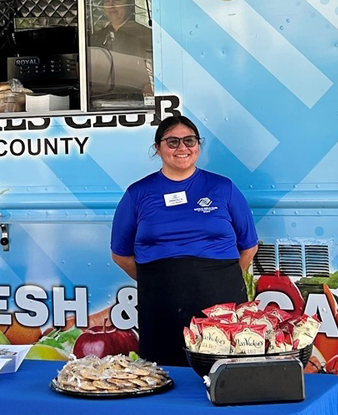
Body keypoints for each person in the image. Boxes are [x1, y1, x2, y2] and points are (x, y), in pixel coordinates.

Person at [110, 114, 257, 367]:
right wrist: (156, 278)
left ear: (198, 145)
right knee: (164, 375)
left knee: (226, 374)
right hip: (160, 303)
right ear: (158, 148)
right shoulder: (138, 193)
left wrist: (221, 277)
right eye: (172, 142)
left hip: (220, 301)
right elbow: (120, 253)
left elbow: (249, 245)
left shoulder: (223, 188)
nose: (182, 148)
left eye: (189, 141)